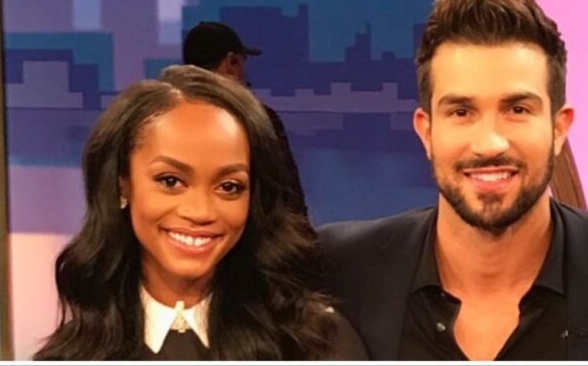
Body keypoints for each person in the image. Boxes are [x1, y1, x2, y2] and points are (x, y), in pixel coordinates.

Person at [319, 0, 588, 361]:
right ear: (426, 131)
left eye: (517, 109)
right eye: (461, 112)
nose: (489, 143)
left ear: (559, 128)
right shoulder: (337, 272)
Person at [33, 65, 367, 360]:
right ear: (123, 186)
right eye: (171, 181)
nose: (200, 211)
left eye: (229, 187)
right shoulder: (72, 356)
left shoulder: (315, 343)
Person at [182, 21, 310, 219]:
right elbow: (289, 197)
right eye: (242, 62)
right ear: (231, 62)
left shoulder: (166, 116)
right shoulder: (257, 119)